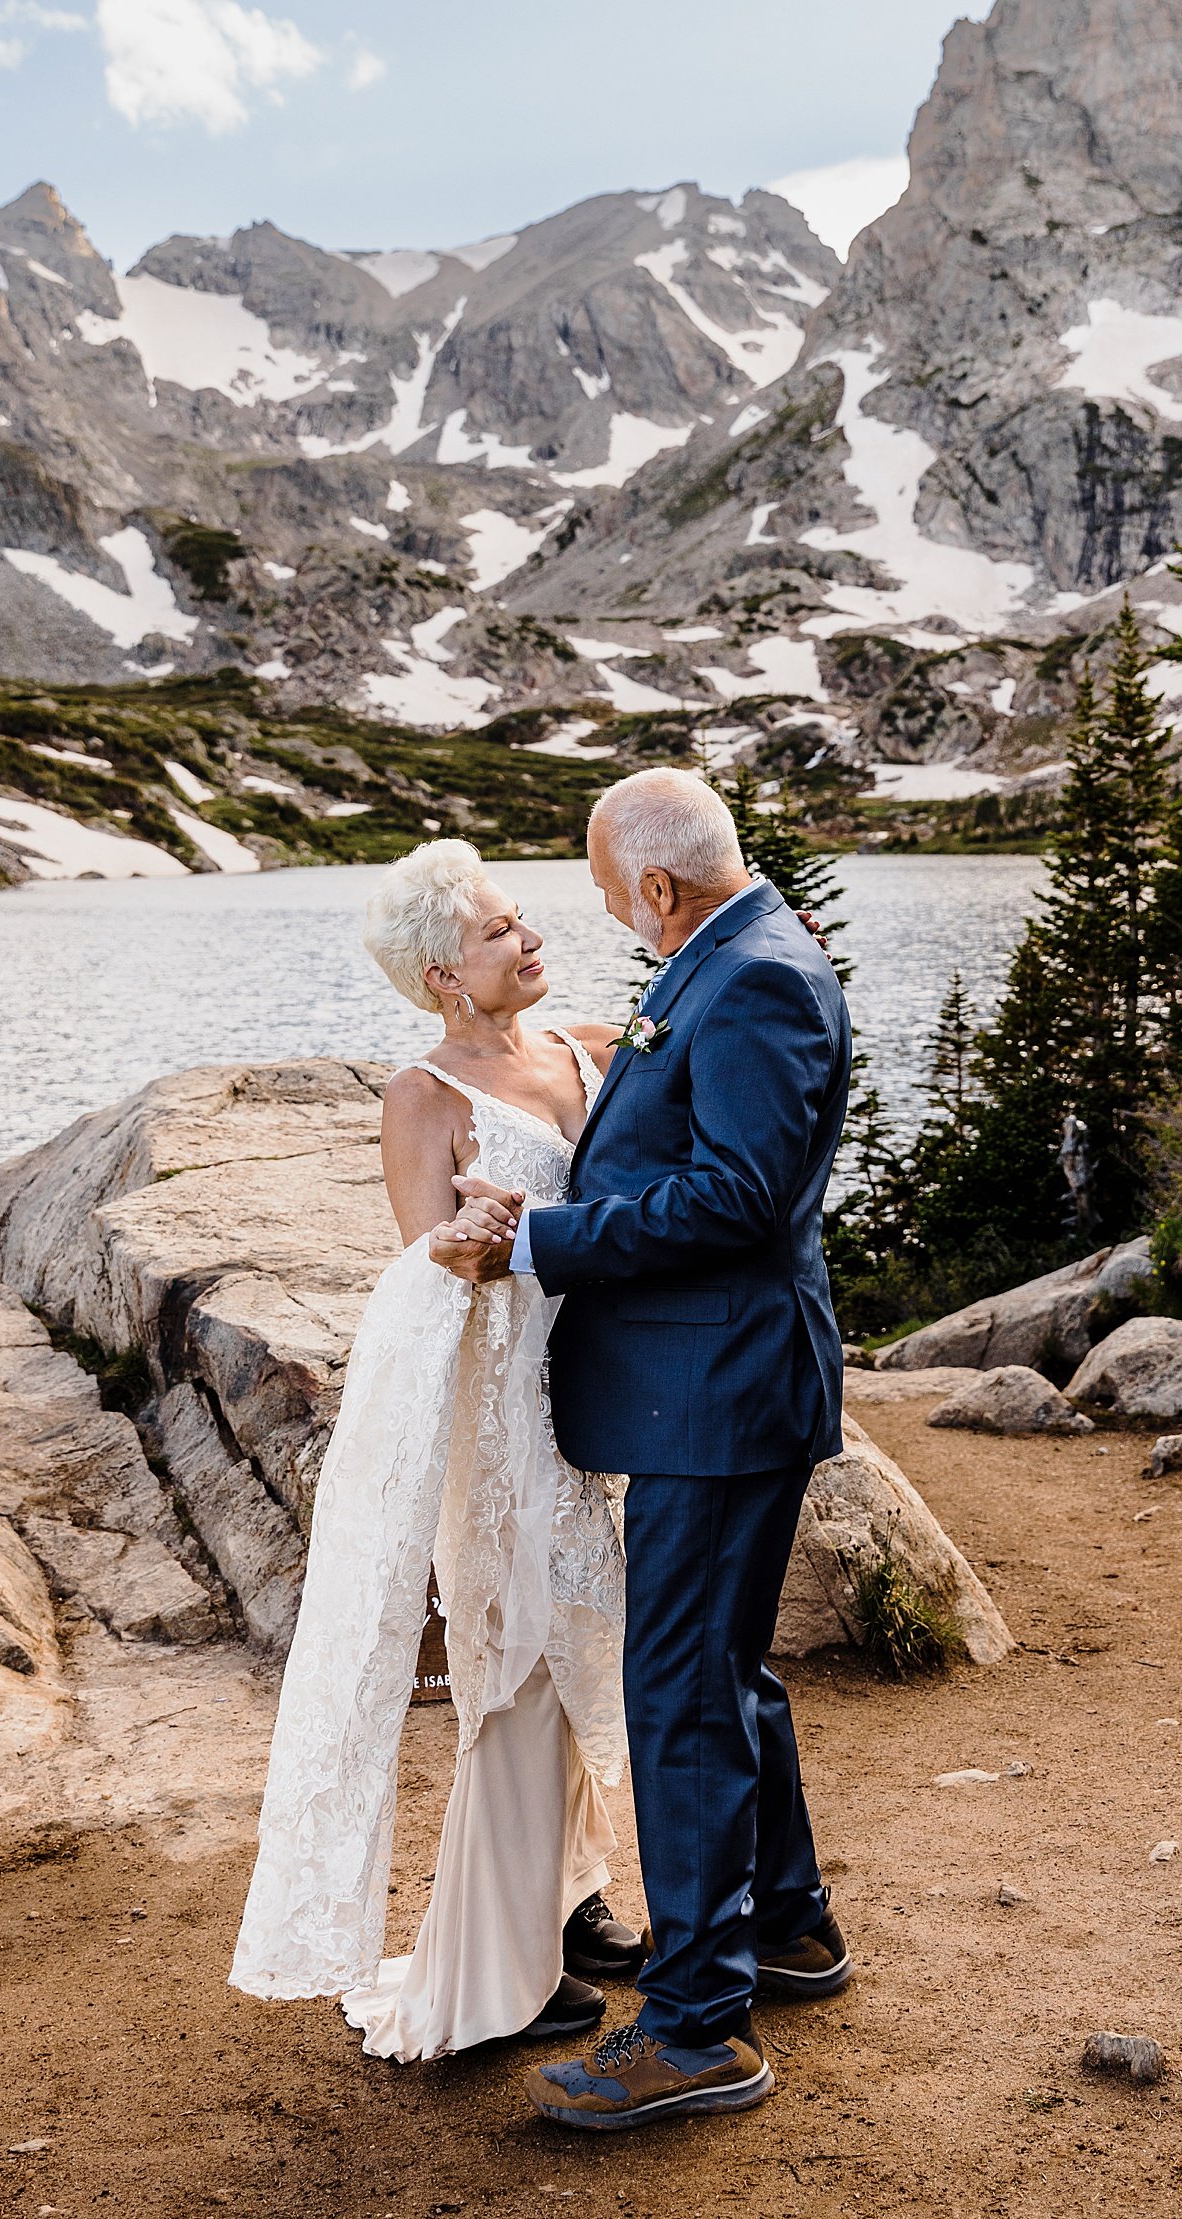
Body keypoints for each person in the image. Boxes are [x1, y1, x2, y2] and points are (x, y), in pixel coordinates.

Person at [433, 768, 854, 2134]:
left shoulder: (758, 982)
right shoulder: (725, 959)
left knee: (677, 1692)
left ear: (661, 888)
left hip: (722, 1390)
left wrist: (539, 1237)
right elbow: (695, 1134)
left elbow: (739, 1194)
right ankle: (786, 1923)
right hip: (712, 1381)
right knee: (723, 1674)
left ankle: (694, 2029)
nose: (611, 912)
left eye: (616, 892)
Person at [230, 840, 639, 2058]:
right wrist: (460, 1233)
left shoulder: (586, 1046)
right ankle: (491, 1955)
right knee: (516, 1655)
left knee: (594, 1639)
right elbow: (427, 1262)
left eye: (523, 919)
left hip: (618, 1388)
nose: (530, 937)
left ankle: (566, 1901)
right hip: (508, 1418)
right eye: (501, 928)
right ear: (443, 974)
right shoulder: (423, 1094)